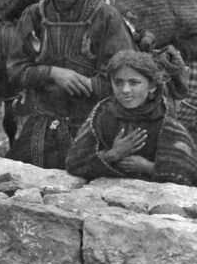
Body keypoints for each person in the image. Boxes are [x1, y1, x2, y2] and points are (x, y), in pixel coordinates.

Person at [6, 0, 135, 168]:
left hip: (95, 123)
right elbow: (16, 71)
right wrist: (53, 73)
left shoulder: (105, 17)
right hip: (43, 124)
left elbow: (126, 76)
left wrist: (88, 85)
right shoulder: (33, 16)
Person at [66, 49, 197, 185]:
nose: (125, 90)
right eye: (118, 82)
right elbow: (74, 164)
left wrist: (149, 167)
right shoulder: (102, 114)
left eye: (134, 83)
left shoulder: (165, 120)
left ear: (151, 86)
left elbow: (186, 171)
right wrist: (112, 154)